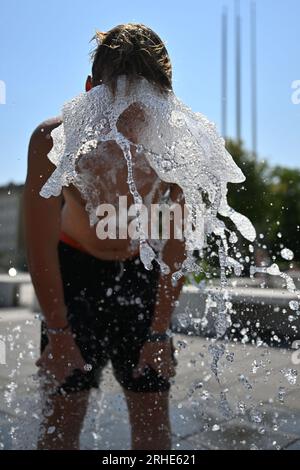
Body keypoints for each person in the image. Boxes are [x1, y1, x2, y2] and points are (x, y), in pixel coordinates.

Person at [23, 23, 186, 450]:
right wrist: (58, 333)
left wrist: (158, 333)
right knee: (62, 419)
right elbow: (39, 246)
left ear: (164, 100)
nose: (130, 124)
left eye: (143, 108)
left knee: (153, 427)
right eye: (117, 106)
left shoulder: (177, 148)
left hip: (141, 274)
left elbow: (176, 246)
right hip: (75, 272)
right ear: (90, 91)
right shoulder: (55, 142)